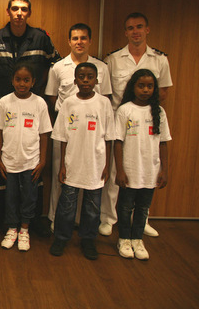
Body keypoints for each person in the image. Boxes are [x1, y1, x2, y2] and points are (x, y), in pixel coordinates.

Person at [0, 0, 60, 237]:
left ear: (29, 13)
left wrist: (39, 88)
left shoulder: (41, 38)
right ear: (8, 11)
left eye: (24, 9)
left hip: (34, 105)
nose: (19, 13)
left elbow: (53, 66)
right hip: (2, 106)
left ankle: (33, 221)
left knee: (34, 168)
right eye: (15, 8)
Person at [100, 13, 173, 238]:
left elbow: (164, 90)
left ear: (147, 29)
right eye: (130, 28)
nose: (135, 32)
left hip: (148, 119)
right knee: (116, 169)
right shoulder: (114, 59)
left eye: (139, 27)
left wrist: (143, 107)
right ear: (126, 32)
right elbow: (108, 92)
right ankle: (108, 218)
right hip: (119, 120)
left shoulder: (159, 59)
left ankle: (141, 219)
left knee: (146, 168)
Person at [45, 23, 112, 230]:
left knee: (92, 178)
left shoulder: (101, 67)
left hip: (93, 133)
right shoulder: (58, 67)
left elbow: (106, 97)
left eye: (83, 38)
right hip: (67, 130)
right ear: (69, 41)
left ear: (90, 41)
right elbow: (53, 97)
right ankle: (58, 220)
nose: (79, 42)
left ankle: (82, 222)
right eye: (75, 38)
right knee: (62, 175)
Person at [50, 62, 115, 260]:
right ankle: (61, 237)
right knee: (66, 205)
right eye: (81, 77)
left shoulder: (104, 103)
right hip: (72, 164)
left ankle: (88, 239)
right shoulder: (68, 103)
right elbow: (62, 136)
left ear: (97, 80)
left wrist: (107, 165)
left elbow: (110, 137)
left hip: (95, 164)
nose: (85, 80)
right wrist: (62, 165)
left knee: (92, 207)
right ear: (75, 80)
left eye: (90, 77)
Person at [0, 62, 52, 251]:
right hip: (9, 160)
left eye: (26, 80)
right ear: (12, 80)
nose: (22, 84)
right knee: (10, 197)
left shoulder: (39, 103)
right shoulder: (4, 102)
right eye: (18, 79)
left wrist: (42, 160)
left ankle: (24, 229)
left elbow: (44, 133)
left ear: (34, 82)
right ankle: (12, 229)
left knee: (29, 196)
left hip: (31, 161)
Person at [114, 69, 171, 260]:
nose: (145, 90)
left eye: (150, 86)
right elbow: (118, 142)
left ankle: (137, 239)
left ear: (154, 89)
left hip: (150, 170)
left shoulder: (159, 112)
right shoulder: (125, 110)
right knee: (125, 207)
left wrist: (164, 169)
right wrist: (120, 170)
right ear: (133, 87)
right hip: (130, 169)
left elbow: (163, 142)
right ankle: (124, 239)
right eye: (141, 85)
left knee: (143, 208)